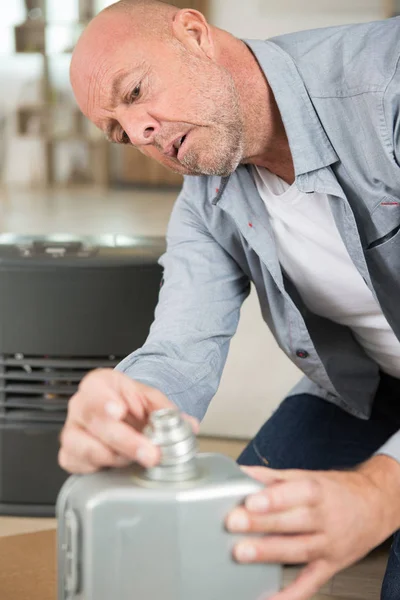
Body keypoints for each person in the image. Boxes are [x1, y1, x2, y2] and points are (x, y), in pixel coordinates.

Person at [60, 1, 400, 598]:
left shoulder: (386, 88)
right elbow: (179, 348)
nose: (139, 132)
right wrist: (131, 407)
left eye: (136, 90)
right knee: (227, 528)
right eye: (119, 131)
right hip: (374, 386)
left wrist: (378, 494)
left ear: (194, 34)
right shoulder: (205, 200)